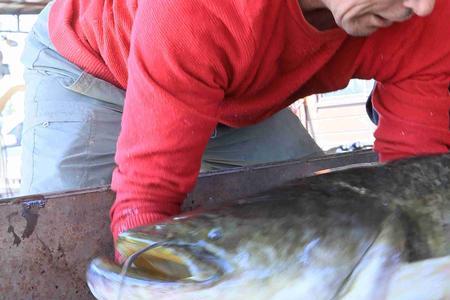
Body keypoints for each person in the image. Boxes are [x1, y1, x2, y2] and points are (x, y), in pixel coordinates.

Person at [21, 0, 449, 248]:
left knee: (319, 229)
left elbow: (418, 189)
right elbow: (145, 202)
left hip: (235, 90)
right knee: (74, 243)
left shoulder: (422, 12)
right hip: (95, 69)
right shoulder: (198, 9)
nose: (422, 4)